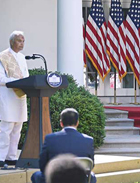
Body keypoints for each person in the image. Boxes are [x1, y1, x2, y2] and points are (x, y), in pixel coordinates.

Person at [31, 108, 96, 183]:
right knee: (92, 176)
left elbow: (43, 165)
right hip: (79, 180)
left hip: (54, 179)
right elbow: (91, 166)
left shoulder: (50, 138)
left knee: (36, 175)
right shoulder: (88, 140)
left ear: (61, 123)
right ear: (77, 123)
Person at [0, 31, 29, 167]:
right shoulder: (3, 56)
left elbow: (27, 76)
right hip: (8, 96)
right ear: (12, 42)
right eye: (19, 41)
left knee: (17, 129)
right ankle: (1, 157)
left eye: (23, 41)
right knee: (6, 129)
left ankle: (11, 157)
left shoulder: (23, 58)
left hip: (20, 97)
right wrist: (17, 81)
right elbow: (1, 79)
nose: (22, 43)